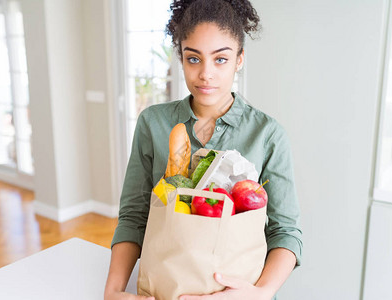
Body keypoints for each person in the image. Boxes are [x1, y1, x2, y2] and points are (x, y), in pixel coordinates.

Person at [104, 0, 302, 299]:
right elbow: (134, 216)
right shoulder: (154, 123)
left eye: (220, 59)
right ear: (181, 58)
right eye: (193, 59)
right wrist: (113, 291)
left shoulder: (267, 134)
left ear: (239, 59)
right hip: (165, 289)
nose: (205, 74)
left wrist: (260, 293)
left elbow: (285, 231)